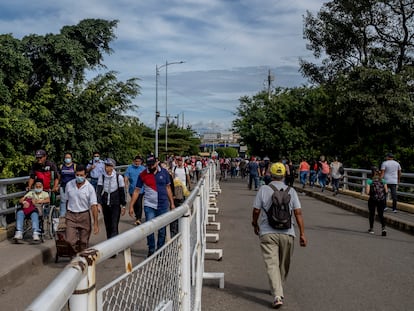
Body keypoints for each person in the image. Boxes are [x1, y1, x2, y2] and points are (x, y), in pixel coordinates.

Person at [251, 162, 307, 308]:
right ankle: (277, 292)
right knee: (283, 264)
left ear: (270, 174)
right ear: (283, 175)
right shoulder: (291, 191)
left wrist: (254, 223)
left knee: (272, 264)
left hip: (267, 232)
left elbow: (256, 210)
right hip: (288, 233)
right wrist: (302, 233)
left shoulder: (263, 189)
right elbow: (298, 213)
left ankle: (277, 290)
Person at [128, 154, 175, 257]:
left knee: (162, 230)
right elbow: (136, 191)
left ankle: (160, 250)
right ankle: (151, 249)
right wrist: (131, 205)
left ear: (156, 163)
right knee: (149, 228)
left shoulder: (164, 173)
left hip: (163, 205)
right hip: (149, 205)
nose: (151, 167)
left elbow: (168, 188)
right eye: (149, 165)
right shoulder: (143, 174)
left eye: (152, 164)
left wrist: (172, 203)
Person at [65, 164, 100, 252]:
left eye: (81, 175)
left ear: (85, 175)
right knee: (69, 240)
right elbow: (66, 200)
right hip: (71, 216)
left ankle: (81, 261)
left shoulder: (89, 188)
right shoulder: (69, 185)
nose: (79, 177)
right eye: (77, 175)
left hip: (84, 215)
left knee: (84, 242)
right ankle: (74, 254)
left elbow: (94, 206)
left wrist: (95, 223)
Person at [96, 158, 126, 242]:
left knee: (114, 225)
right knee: (108, 225)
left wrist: (123, 205)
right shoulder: (102, 177)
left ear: (113, 167)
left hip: (115, 204)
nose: (107, 168)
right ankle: (109, 243)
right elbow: (98, 190)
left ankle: (114, 245)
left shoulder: (118, 177)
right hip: (105, 203)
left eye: (109, 166)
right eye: (106, 166)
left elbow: (122, 192)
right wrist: (98, 203)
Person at [124, 155, 146, 225]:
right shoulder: (130, 168)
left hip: (141, 190)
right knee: (135, 203)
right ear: (134, 161)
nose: (137, 163)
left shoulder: (143, 169)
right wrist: (126, 183)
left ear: (141, 162)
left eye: (139, 161)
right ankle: (137, 215)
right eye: (136, 161)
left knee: (139, 203)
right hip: (132, 189)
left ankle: (138, 218)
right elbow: (126, 176)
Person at [366, 167, 387, 236]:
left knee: (372, 214)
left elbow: (367, 192)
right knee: (381, 214)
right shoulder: (383, 180)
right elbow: (386, 191)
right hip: (381, 199)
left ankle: (371, 229)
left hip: (372, 199)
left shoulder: (369, 180)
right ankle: (383, 228)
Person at [58, 152, 76, 221]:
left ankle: (72, 217)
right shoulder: (61, 166)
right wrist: (57, 185)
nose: (67, 159)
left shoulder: (74, 166)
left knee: (72, 201)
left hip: (72, 187)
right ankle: (62, 218)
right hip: (63, 186)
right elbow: (59, 176)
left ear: (71, 158)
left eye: (68, 157)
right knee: (63, 201)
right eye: (66, 158)